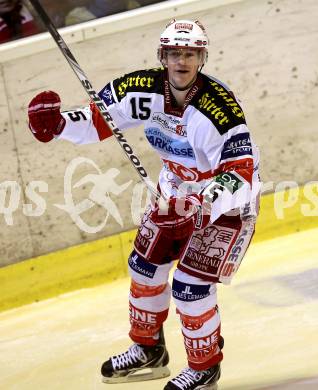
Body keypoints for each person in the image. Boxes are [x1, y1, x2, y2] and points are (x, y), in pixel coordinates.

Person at [27, 19, 260, 390]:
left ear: (201, 57)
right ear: (162, 56)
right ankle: (148, 350)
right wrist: (58, 124)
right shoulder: (142, 88)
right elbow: (95, 121)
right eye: (174, 53)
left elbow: (240, 175)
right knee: (143, 268)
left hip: (226, 206)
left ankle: (204, 370)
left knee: (190, 286)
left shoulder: (219, 109)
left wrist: (200, 207)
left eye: (189, 54)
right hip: (175, 197)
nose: (181, 61)